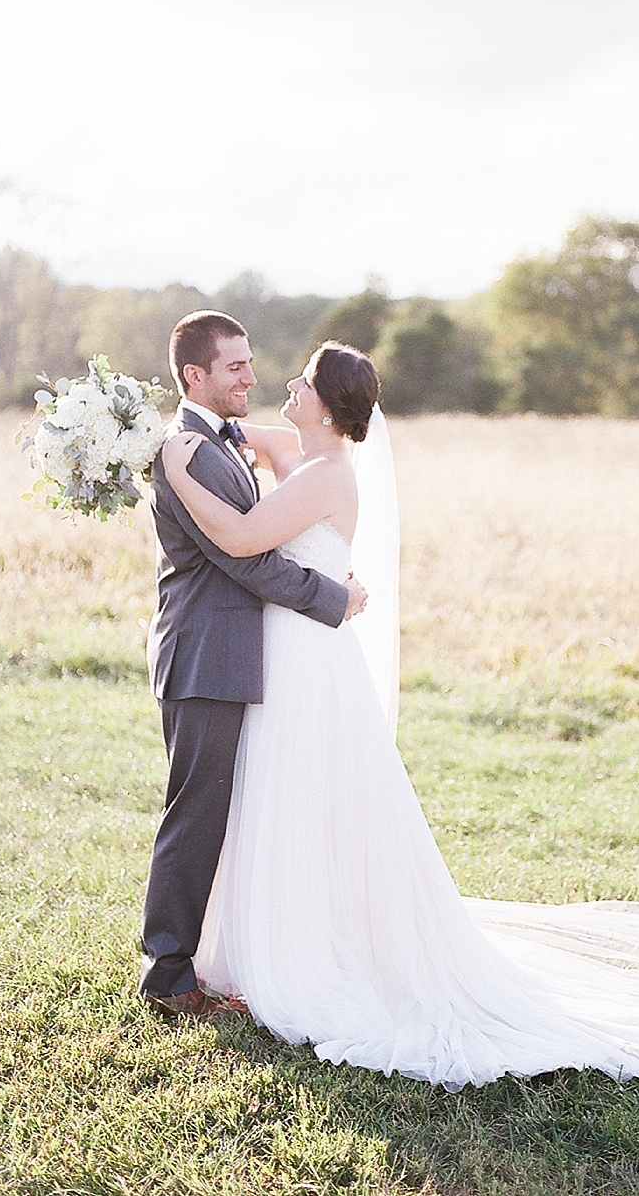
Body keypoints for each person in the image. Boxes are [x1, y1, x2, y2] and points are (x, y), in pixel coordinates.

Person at [157, 340, 639, 1087]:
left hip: (305, 660)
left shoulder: (322, 476)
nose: (282, 385)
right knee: (285, 798)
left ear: (327, 406)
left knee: (305, 794)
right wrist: (187, 436)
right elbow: (244, 436)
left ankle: (309, 947)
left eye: (301, 381)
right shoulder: (306, 455)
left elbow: (238, 541)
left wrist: (173, 470)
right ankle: (273, 933)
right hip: (291, 654)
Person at [140, 309, 367, 1017]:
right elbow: (250, 561)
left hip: (235, 657)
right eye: (236, 366)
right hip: (206, 654)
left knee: (226, 812)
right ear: (194, 375)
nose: (254, 376)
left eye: (251, 362)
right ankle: (168, 973)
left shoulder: (219, 441)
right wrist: (338, 597)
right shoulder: (191, 454)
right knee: (197, 813)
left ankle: (219, 954)